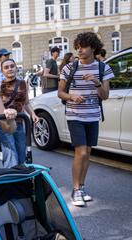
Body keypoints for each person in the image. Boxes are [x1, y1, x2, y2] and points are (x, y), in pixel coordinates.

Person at [58, 32, 114, 207]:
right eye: (77, 47)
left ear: (92, 47)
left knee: (88, 153)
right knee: (80, 152)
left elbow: (105, 96)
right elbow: (60, 93)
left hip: (92, 115)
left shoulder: (102, 68)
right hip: (75, 115)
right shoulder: (69, 68)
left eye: (83, 46)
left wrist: (97, 83)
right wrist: (71, 97)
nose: (79, 50)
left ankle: (82, 187)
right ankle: (75, 190)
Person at [0, 59, 39, 168]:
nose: (10, 68)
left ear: (16, 68)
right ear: (2, 72)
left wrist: (33, 114)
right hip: (5, 125)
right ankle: (10, 181)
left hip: (19, 124)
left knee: (21, 154)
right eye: (6, 67)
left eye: (12, 66)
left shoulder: (22, 83)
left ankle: (21, 181)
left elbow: (26, 103)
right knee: (11, 155)